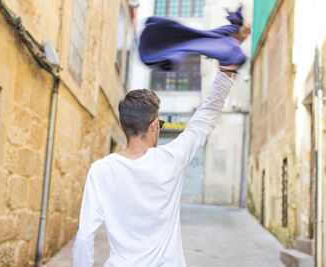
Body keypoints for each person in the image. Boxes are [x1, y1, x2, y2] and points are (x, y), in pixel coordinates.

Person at [73, 22, 250, 267]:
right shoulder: (170, 159)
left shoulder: (101, 170)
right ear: (155, 125)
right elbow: (207, 114)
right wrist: (228, 61)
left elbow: (84, 237)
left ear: (123, 127)